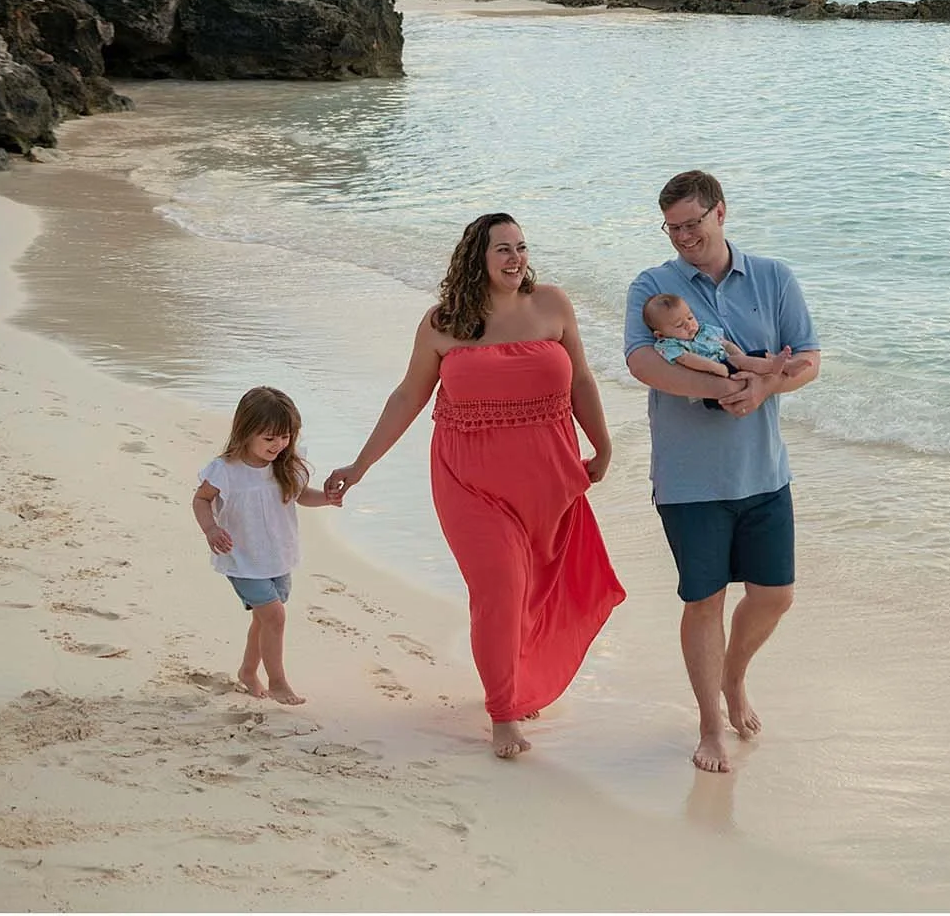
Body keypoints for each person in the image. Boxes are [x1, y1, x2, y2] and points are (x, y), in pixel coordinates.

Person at [325, 214, 625, 760]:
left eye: (521, 248)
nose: (516, 259)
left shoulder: (552, 305)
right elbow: (407, 398)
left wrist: (602, 445)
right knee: (500, 591)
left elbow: (581, 378)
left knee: (535, 592)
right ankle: (504, 712)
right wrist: (361, 465)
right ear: (477, 260)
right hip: (469, 482)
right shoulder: (444, 323)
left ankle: (518, 679)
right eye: (503, 250)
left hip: (548, 478)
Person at [625, 170, 821, 773]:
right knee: (704, 601)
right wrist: (721, 390)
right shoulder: (652, 287)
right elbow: (642, 364)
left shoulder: (773, 277)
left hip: (764, 471)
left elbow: (808, 358)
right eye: (672, 226)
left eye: (692, 223)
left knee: (776, 596)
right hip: (690, 481)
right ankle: (710, 726)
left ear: (720, 213)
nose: (683, 236)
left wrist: (761, 390)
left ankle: (733, 678)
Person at [191, 385, 342, 705]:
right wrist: (210, 528)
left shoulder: (284, 465)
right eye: (269, 438)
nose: (278, 445)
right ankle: (278, 682)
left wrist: (326, 499)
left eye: (285, 436)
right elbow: (201, 500)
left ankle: (248, 671)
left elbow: (301, 496)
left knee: (264, 619)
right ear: (246, 431)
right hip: (242, 558)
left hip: (278, 556)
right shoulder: (225, 469)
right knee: (274, 617)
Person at [642, 292, 811, 405]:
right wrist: (717, 368)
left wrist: (743, 358)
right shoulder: (668, 345)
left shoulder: (703, 331)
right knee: (739, 361)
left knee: (759, 355)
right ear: (660, 334)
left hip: (729, 365)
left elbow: (725, 344)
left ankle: (785, 366)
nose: (689, 325)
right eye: (679, 325)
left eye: (690, 317)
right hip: (713, 379)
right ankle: (776, 367)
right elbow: (690, 360)